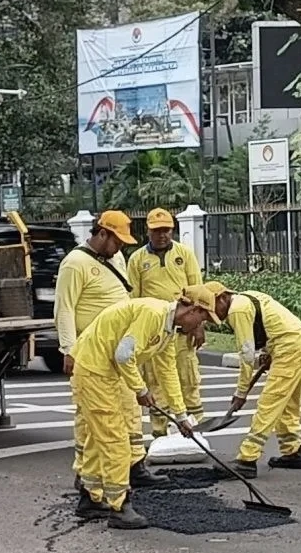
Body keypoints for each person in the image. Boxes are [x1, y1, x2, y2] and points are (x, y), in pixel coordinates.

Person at [70, 286, 221, 529]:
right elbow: (123, 355)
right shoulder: (153, 314)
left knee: (100, 437)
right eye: (202, 318)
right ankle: (120, 506)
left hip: (108, 371)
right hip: (94, 370)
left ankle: (90, 498)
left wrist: (181, 416)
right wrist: (141, 390)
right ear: (192, 309)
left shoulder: (169, 329)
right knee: (114, 439)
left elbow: (167, 372)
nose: (199, 326)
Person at [53, 210, 168, 492]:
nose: (120, 247)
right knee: (92, 417)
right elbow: (64, 308)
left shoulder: (116, 258)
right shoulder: (75, 264)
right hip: (90, 352)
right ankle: (85, 474)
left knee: (129, 410)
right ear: (102, 233)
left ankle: (135, 464)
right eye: (117, 240)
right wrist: (68, 349)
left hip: (119, 349)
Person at [203, 280, 301, 478]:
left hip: (290, 348)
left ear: (222, 297)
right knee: (288, 403)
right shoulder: (246, 298)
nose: (214, 315)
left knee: (269, 404)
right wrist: (268, 350)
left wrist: (241, 393)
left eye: (213, 307)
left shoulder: (236, 310)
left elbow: (247, 355)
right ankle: (292, 450)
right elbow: (270, 324)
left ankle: (247, 459)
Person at [127, 207, 205, 437]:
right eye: (157, 231)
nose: (163, 235)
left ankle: (196, 428)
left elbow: (197, 291)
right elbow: (134, 299)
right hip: (154, 332)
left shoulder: (184, 254)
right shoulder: (138, 259)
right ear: (148, 231)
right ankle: (160, 432)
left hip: (183, 329)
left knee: (187, 378)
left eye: (167, 230)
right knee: (155, 382)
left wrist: (199, 325)